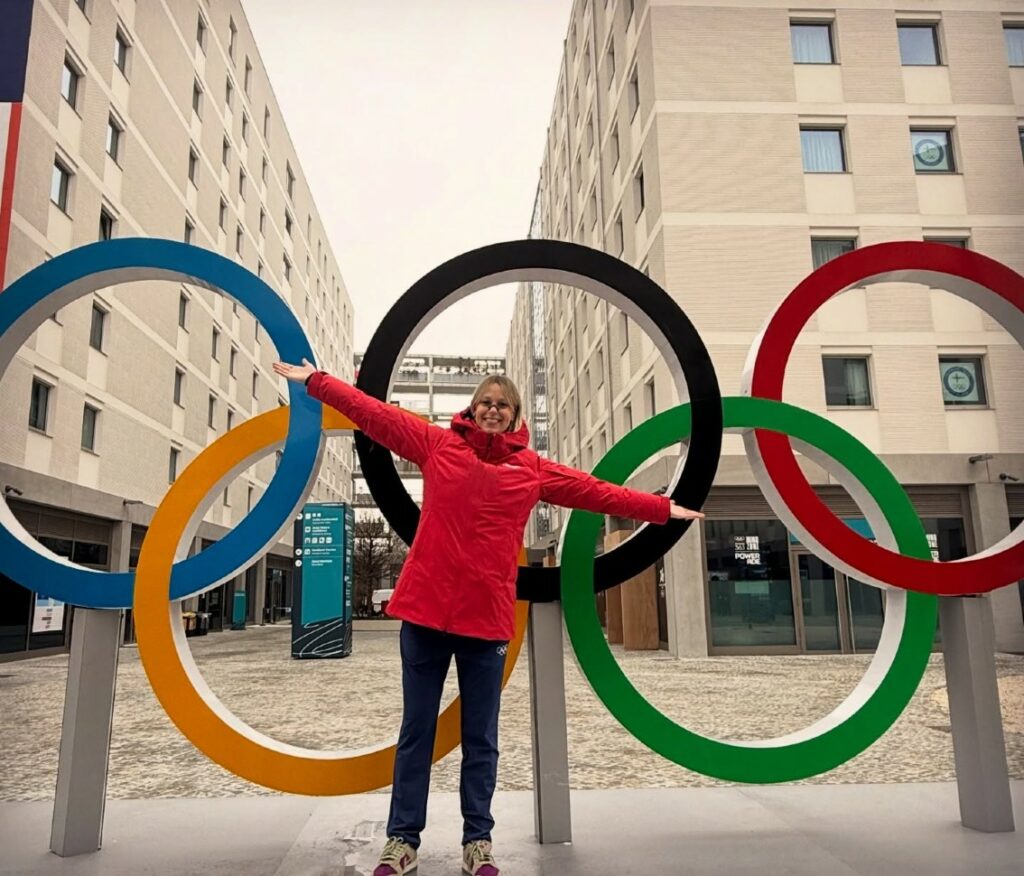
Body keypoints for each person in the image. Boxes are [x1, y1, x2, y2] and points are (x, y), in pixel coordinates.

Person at [272, 359, 704, 876]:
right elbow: (375, 415)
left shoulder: (532, 468)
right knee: (416, 734)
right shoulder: (438, 445)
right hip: (426, 615)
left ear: (514, 415)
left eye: (503, 405)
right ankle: (402, 841)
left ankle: (478, 841)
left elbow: (596, 490)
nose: (493, 410)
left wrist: (662, 509)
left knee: (481, 740)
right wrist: (317, 382)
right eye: (486, 403)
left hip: (486, 622)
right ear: (472, 409)